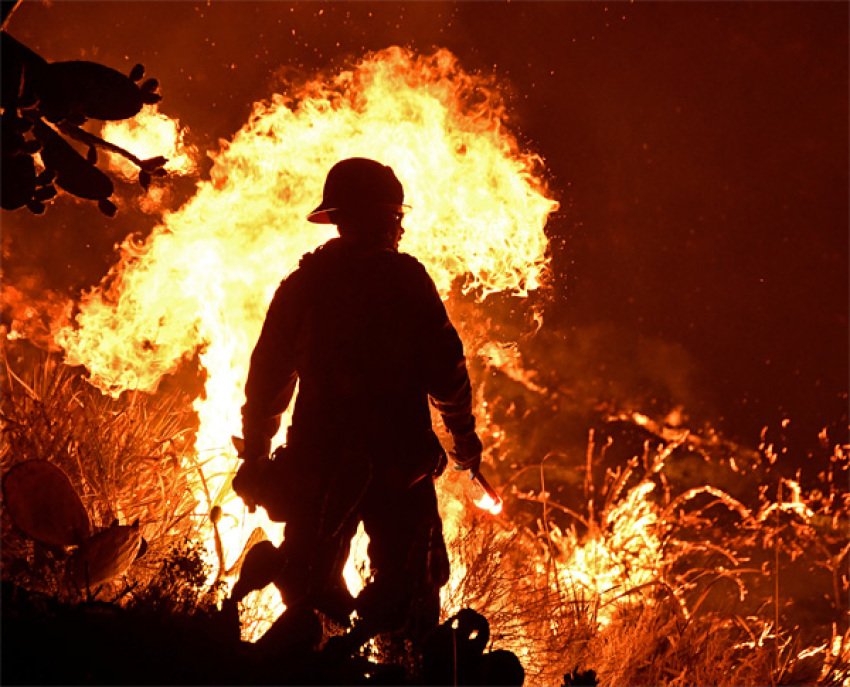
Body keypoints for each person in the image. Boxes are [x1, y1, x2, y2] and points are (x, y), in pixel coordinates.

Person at [230, 157, 482, 646]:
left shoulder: (304, 285)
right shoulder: (406, 281)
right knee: (411, 591)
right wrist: (463, 439)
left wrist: (258, 452)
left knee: (307, 591)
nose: (401, 228)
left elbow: (267, 378)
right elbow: (446, 370)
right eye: (396, 217)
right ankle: (401, 667)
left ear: (340, 219)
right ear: (383, 218)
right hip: (397, 464)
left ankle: (316, 663)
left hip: (318, 464)